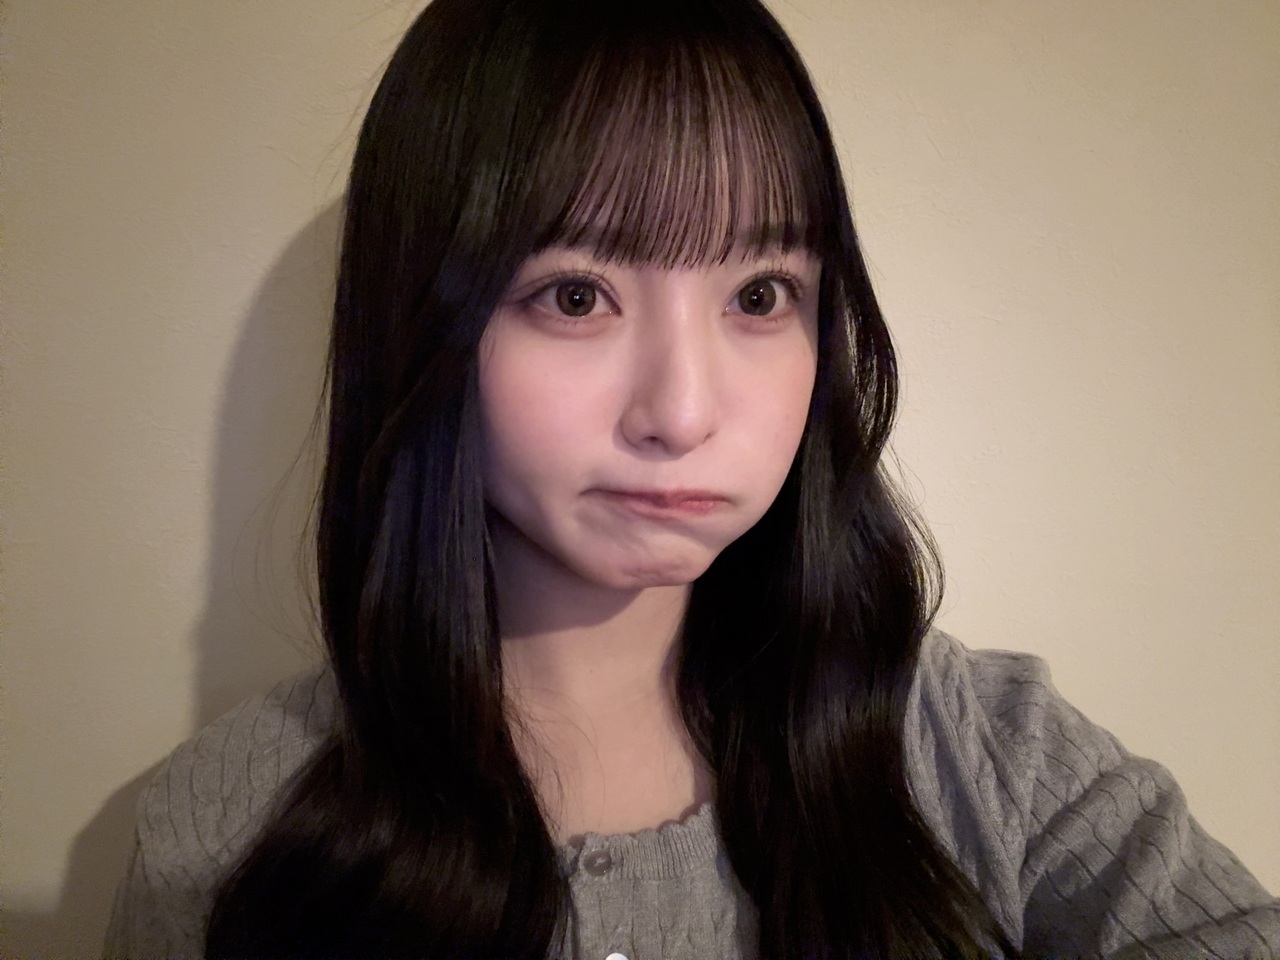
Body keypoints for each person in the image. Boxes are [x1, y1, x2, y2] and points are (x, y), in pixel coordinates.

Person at [104, 0, 1280, 957]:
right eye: (575, 296)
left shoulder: (983, 754)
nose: (681, 412)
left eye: (759, 296)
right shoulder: (228, 829)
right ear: (424, 325)